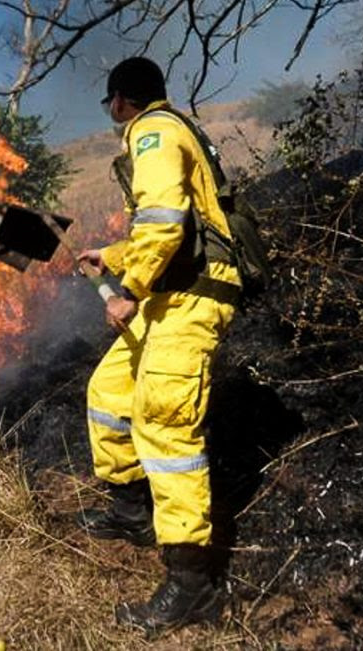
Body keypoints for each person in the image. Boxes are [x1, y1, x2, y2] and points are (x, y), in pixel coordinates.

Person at [75, 57, 242, 636]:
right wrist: (113, 257)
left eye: (109, 105)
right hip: (170, 296)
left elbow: (167, 222)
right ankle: (130, 512)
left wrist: (127, 289)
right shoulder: (170, 129)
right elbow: (171, 227)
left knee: (166, 427)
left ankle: (193, 584)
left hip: (191, 298)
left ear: (120, 99)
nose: (111, 115)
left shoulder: (151, 131)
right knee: (109, 391)